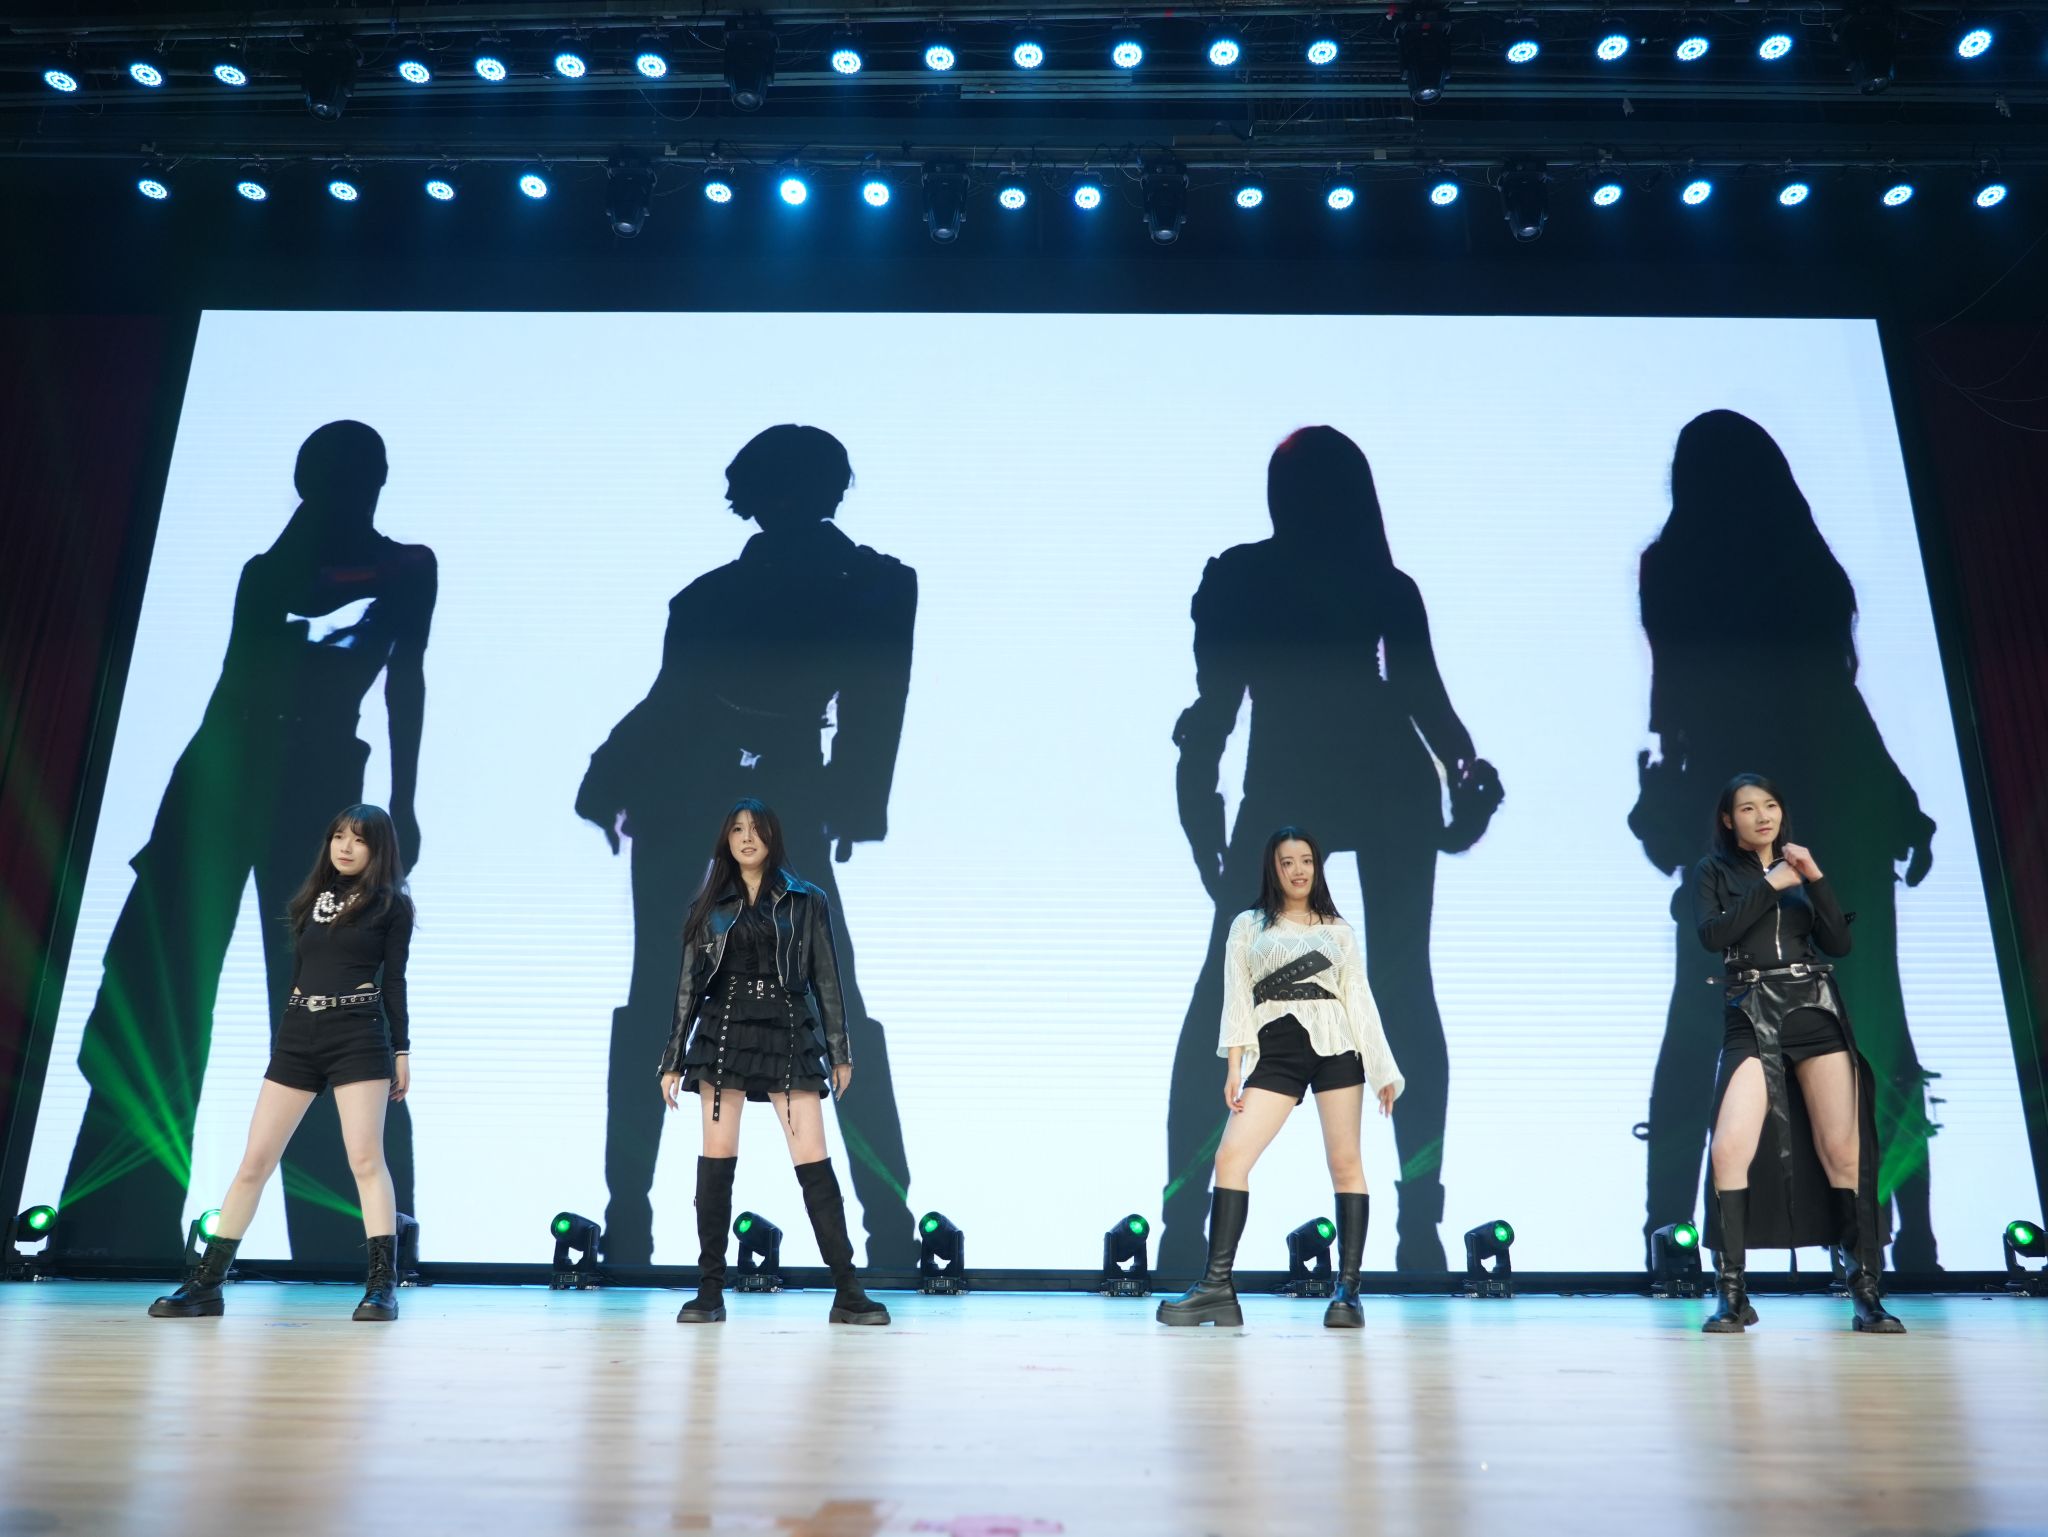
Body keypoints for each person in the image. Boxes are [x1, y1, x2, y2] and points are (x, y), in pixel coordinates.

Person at [58, 420, 432, 1265]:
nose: (343, 492)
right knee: (161, 983)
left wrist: (403, 805)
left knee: (333, 995)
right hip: (224, 770)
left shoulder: (404, 566)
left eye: (355, 476)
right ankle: (114, 1225)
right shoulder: (270, 571)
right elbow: (248, 664)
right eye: (327, 478)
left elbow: (402, 677)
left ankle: (351, 1242)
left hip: (318, 778)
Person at [578, 424, 919, 1269]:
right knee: (679, 999)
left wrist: (851, 802)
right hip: (704, 791)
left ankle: (888, 1225)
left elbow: (873, 706)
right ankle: (631, 1219)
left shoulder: (852, 585)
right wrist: (851, 804)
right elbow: (677, 699)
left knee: (798, 1002)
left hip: (737, 791)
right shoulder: (857, 584)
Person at [1165, 426, 1499, 1275]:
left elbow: (1213, 715)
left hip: (1297, 781)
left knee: (1232, 997)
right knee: (1401, 987)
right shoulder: (1380, 583)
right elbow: (1428, 704)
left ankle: (1181, 1221)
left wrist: (1205, 826)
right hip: (1377, 780)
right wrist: (1467, 775)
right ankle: (1418, 1218)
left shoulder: (1244, 576)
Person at [1632, 410, 1939, 1270]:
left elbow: (1674, 706)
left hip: (1735, 800)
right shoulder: (1806, 564)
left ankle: (1668, 1233)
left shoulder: (1675, 566)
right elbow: (1838, 694)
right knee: (1872, 1018)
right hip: (1837, 794)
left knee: (1703, 1015)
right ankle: (1904, 1233)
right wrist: (1899, 802)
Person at [149, 805, 415, 1321]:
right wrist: (286, 1039)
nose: (345, 847)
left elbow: (396, 982)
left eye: (359, 840)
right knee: (254, 1162)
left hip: (357, 1035)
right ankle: (206, 1285)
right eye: (338, 836)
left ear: (378, 849)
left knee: (365, 1160)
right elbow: (298, 973)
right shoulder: (314, 899)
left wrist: (401, 1049)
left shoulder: (391, 906)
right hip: (298, 1036)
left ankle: (382, 1287)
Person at [1158, 826, 1403, 1329]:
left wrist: (1382, 1067)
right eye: (1287, 862)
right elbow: (1236, 996)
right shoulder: (1248, 925)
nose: (1298, 870)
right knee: (1230, 1158)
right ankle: (1217, 1287)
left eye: (1306, 860)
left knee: (1345, 1163)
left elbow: (1359, 998)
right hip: (1278, 1050)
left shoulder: (1338, 930)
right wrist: (1235, 1065)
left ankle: (1348, 1292)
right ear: (1274, 868)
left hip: (1338, 1047)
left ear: (1317, 866)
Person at [658, 799, 890, 1327]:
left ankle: (847, 1289)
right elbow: (688, 987)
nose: (746, 838)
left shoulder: (807, 899)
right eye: (737, 829)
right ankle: (709, 1289)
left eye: (756, 829)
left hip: (787, 1028)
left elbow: (827, 977)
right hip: (724, 1030)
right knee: (716, 1162)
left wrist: (839, 1049)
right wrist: (672, 1059)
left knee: (814, 1161)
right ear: (726, 840)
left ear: (772, 838)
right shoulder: (709, 905)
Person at [1694, 774, 1904, 1335]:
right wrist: (1771, 884)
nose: (1762, 816)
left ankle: (1865, 1291)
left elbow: (1838, 942)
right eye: (1747, 808)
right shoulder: (1714, 871)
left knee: (1843, 1151)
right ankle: (1732, 1294)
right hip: (1751, 1011)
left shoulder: (1801, 869)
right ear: (1728, 820)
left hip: (1814, 1009)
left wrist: (1814, 878)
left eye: (1770, 805)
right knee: (1729, 1147)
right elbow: (1714, 935)